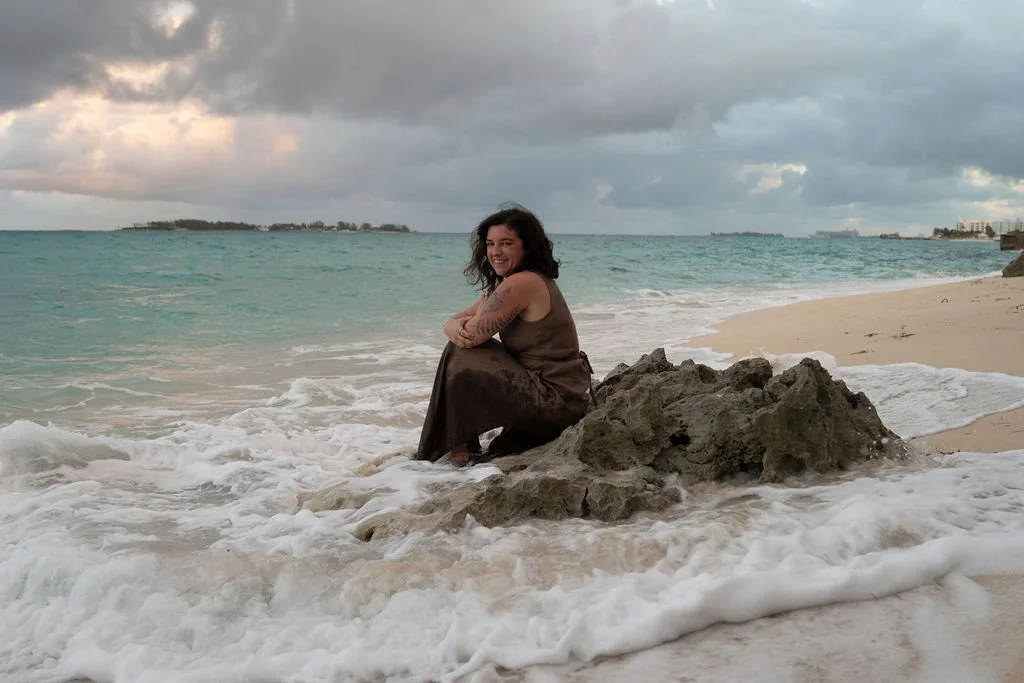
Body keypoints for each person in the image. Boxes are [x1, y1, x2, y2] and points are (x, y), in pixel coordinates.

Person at [416, 205, 593, 466]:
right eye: (490, 244)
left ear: (528, 246)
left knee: (461, 350)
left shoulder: (523, 283)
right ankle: (457, 444)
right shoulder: (510, 283)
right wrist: (451, 325)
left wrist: (454, 326)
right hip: (558, 396)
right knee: (459, 347)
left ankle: (457, 447)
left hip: (556, 402)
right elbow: (459, 323)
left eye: (506, 243)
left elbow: (470, 337)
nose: (495, 252)